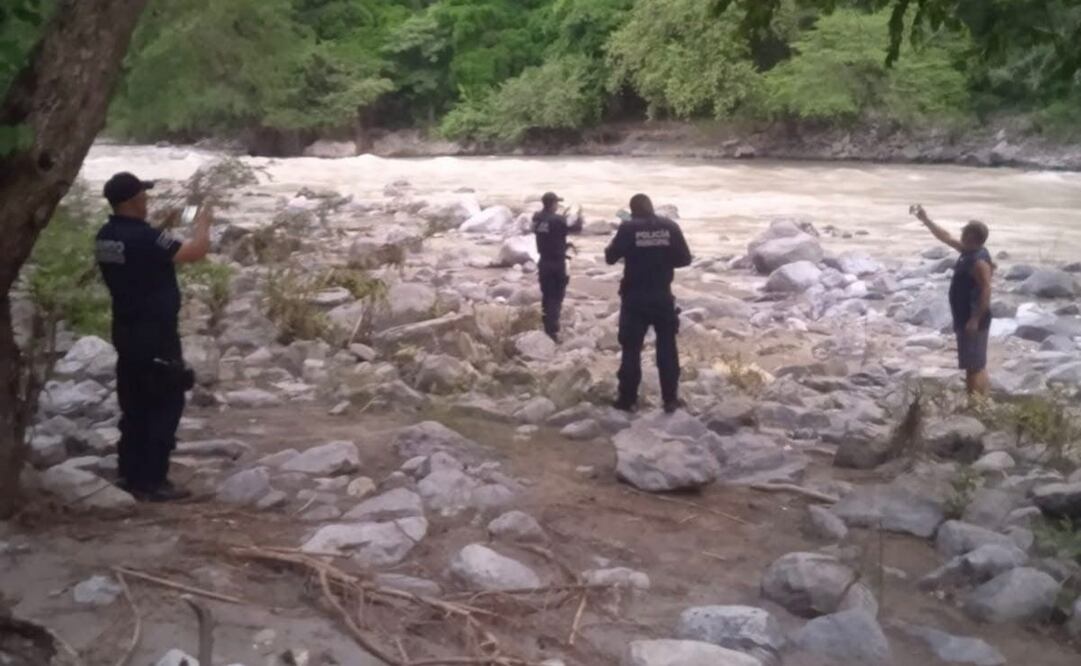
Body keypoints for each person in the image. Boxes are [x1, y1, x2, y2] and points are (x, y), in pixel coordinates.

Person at [96, 172, 213, 501]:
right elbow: (195, 251)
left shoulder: (106, 236)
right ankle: (153, 480)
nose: (147, 200)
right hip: (156, 332)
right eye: (143, 196)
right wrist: (203, 223)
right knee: (165, 402)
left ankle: (131, 474)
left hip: (125, 330)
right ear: (133, 201)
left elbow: (142, 253)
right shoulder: (146, 237)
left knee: (134, 403)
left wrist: (161, 228)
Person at [605, 194, 692, 413]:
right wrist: (662, 259)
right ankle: (670, 399)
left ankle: (627, 400)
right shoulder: (670, 226)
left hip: (634, 297)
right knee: (667, 347)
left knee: (631, 349)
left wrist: (631, 250)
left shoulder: (628, 227)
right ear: (652, 207)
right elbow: (685, 259)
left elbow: (610, 257)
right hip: (662, 295)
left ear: (633, 211)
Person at [912, 204, 993, 396]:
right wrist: (926, 220)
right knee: (977, 362)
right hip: (966, 316)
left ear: (971, 237)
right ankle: (982, 399)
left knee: (972, 367)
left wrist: (975, 319)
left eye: (964, 233)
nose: (961, 235)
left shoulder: (978, 262)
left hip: (972, 318)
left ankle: (974, 403)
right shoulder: (969, 252)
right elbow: (945, 237)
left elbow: (986, 289)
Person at [532, 191, 570, 342]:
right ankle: (552, 331)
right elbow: (569, 230)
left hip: (543, 261)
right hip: (557, 262)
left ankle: (546, 325)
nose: (558, 206)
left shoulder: (537, 218)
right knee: (556, 296)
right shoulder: (558, 220)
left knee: (547, 295)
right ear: (553, 204)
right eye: (557, 203)